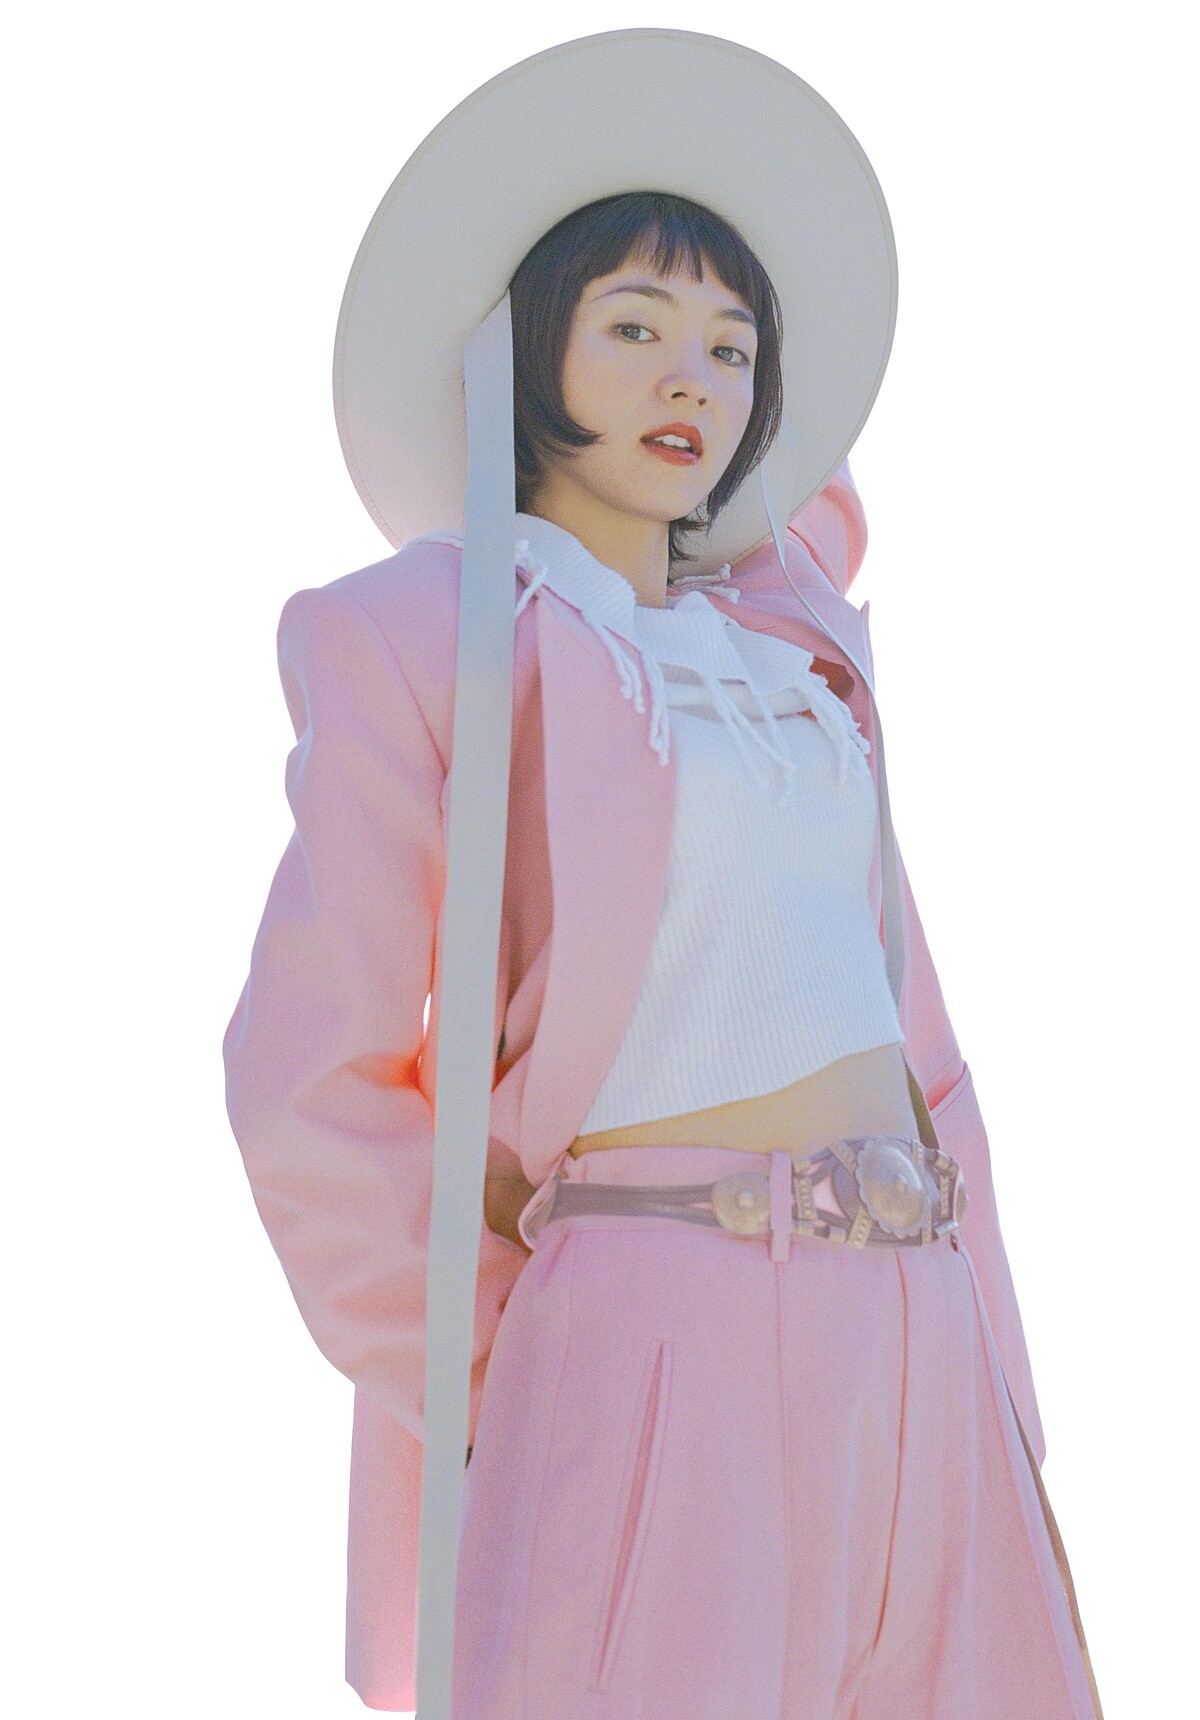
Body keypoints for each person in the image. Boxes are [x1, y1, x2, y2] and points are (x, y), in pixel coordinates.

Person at [222, 30, 1103, 1719]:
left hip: (928, 1330)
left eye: (729, 345)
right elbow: (307, 1077)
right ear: (524, 347)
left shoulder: (790, 644)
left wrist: (1006, 1406)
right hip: (651, 1316)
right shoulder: (427, 634)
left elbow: (921, 1046)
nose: (689, 376)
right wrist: (522, 1353)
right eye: (632, 327)